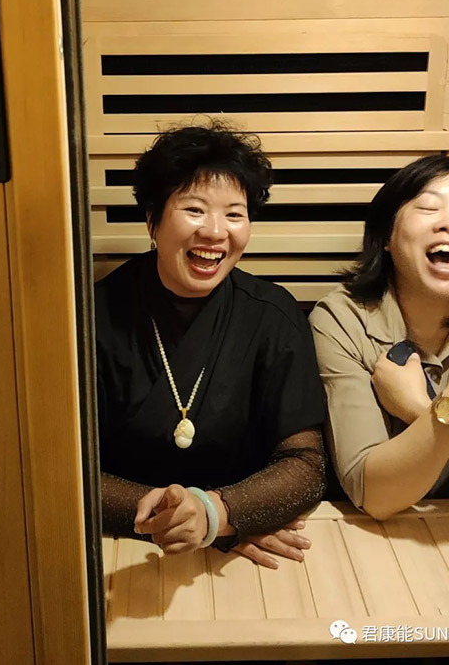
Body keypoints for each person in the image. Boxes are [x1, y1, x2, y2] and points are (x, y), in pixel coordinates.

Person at [96, 121, 326, 568]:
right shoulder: (95, 317)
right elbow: (63, 470)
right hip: (121, 547)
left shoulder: (273, 315)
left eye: (235, 214)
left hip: (238, 552)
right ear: (152, 219)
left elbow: (305, 466)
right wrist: (178, 520)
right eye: (195, 210)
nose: (216, 232)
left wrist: (217, 514)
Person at [310, 155, 449, 520]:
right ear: (387, 236)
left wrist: (424, 407)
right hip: (372, 535)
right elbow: (375, 495)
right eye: (429, 208)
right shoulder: (341, 320)